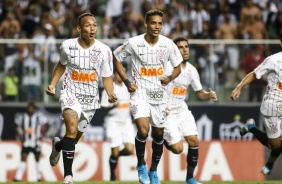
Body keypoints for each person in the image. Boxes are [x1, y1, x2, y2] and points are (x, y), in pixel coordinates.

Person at [45, 12, 117, 184]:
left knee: (73, 138)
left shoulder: (104, 50)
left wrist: (110, 92)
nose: (92, 29)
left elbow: (106, 76)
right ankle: (68, 176)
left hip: (90, 100)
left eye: (94, 25)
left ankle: (58, 146)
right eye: (87, 25)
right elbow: (61, 65)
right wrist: (53, 84)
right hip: (70, 93)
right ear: (79, 28)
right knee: (70, 128)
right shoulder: (67, 46)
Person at [113, 9, 182, 184]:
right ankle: (141, 165)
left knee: (158, 135)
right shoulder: (134, 43)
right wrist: (128, 82)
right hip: (139, 94)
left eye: (160, 23)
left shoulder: (168, 44)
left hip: (159, 96)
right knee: (143, 130)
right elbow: (116, 58)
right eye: (153, 23)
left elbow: (178, 67)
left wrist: (170, 77)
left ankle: (153, 171)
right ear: (146, 24)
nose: (157, 26)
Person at [163, 37, 218, 184]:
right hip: (166, 111)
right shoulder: (167, 68)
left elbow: (199, 93)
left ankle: (190, 178)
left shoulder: (192, 70)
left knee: (194, 140)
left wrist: (208, 94)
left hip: (181, 109)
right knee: (178, 149)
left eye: (186, 46)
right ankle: (161, 136)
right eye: (180, 47)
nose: (185, 50)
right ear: (174, 51)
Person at [230, 33, 282, 176]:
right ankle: (252, 128)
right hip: (273, 105)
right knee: (275, 145)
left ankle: (269, 165)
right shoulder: (273, 60)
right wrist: (238, 88)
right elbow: (254, 74)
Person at [101, 67, 135, 181]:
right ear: (114, 74)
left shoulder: (129, 88)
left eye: (124, 72)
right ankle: (112, 175)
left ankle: (114, 157)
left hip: (126, 121)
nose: (121, 74)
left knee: (130, 150)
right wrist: (113, 106)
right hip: (113, 121)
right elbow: (103, 108)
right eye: (119, 72)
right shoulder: (109, 88)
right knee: (114, 151)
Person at [14, 101, 50, 182]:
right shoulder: (23, 116)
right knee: (23, 159)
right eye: (28, 108)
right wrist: (20, 136)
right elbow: (15, 125)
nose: (29, 109)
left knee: (37, 159)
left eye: (31, 108)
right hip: (26, 142)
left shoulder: (38, 116)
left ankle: (39, 177)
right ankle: (18, 178)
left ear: (34, 109)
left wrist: (42, 135)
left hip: (36, 142)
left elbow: (47, 124)